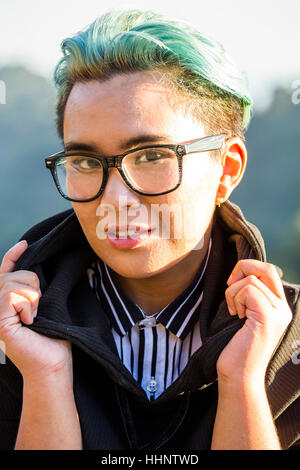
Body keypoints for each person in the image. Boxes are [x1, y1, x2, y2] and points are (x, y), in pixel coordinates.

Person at [0, 9, 299, 451]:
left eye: (152, 156)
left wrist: (243, 384)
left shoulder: (290, 348)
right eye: (85, 161)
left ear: (227, 168)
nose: (116, 201)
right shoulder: (13, 340)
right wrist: (46, 378)